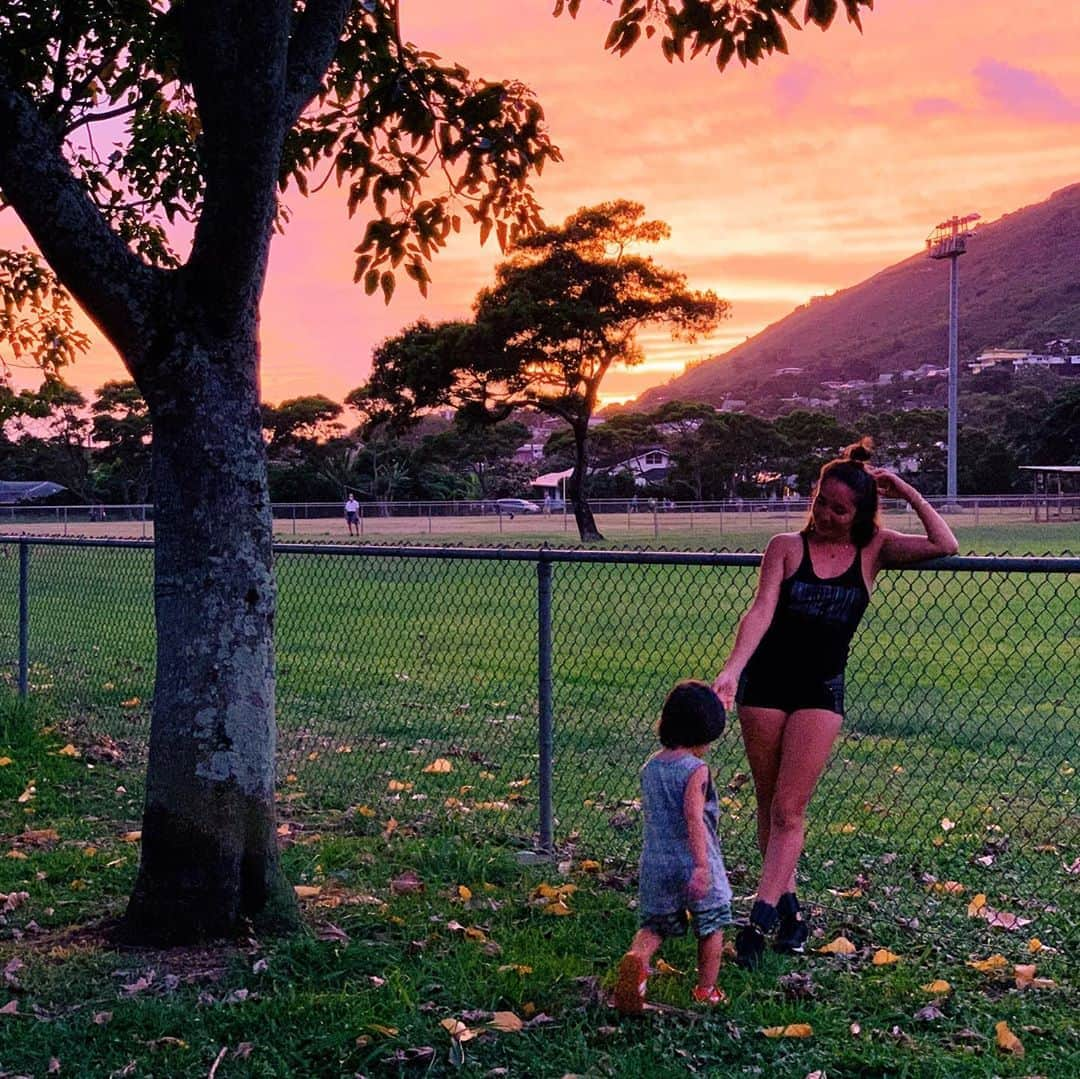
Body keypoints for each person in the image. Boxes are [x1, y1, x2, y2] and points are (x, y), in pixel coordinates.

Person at [713, 439, 958, 968]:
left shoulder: (874, 551)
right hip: (766, 687)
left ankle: (757, 924)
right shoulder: (785, 547)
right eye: (821, 501)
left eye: (840, 509)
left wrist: (906, 491)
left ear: (861, 514)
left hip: (820, 691)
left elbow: (946, 543)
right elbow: (758, 613)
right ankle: (792, 912)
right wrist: (732, 670)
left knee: (789, 808)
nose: (825, 514)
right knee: (767, 803)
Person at [613, 680, 733, 1014]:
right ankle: (706, 989)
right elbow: (694, 819)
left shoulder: (651, 767)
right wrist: (701, 866)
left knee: (654, 925)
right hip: (693, 860)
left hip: (656, 863)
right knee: (712, 923)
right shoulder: (696, 770)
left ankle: (636, 963)